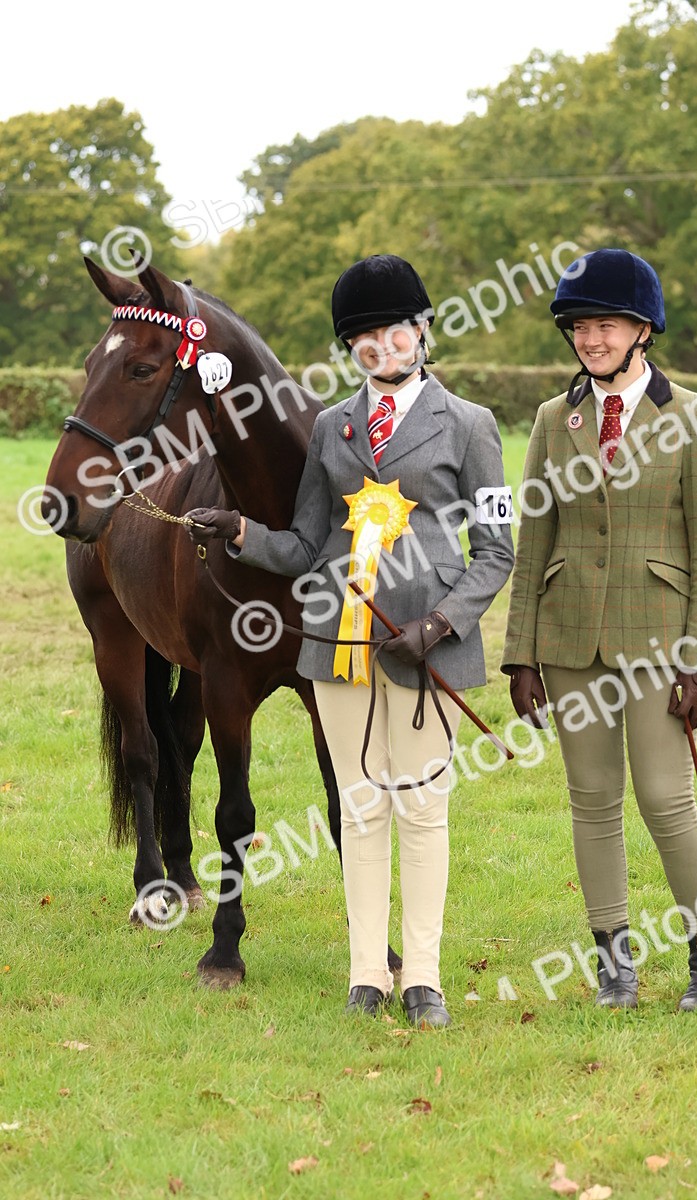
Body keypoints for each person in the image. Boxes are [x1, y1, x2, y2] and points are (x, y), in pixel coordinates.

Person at [186, 254, 514, 1027]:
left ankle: (424, 976)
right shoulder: (330, 428)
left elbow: (497, 549)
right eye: (361, 337)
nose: (378, 347)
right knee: (361, 806)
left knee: (422, 809)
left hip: (424, 646)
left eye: (391, 330)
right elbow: (305, 545)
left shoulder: (470, 426)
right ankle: (367, 971)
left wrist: (440, 624)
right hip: (337, 645)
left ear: (423, 330)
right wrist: (239, 532)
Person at [502, 247, 697, 1012]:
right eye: (580, 326)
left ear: (642, 329)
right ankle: (615, 964)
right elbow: (533, 539)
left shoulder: (694, 417)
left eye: (606, 325)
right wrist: (521, 656)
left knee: (666, 799)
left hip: (660, 642)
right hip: (570, 639)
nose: (591, 339)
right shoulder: (552, 418)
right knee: (592, 798)